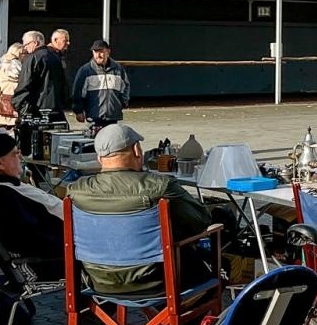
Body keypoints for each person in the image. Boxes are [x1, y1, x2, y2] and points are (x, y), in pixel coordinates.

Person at [66, 124, 223, 297]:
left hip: (98, 281)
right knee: (215, 238)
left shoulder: (76, 190)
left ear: (99, 157)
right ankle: (178, 322)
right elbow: (201, 220)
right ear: (137, 150)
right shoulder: (160, 186)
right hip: (157, 280)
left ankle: (153, 322)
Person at [0, 131, 64, 276]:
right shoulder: (2, 194)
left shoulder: (3, 186)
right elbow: (27, 238)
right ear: (0, 163)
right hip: (56, 259)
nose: (20, 157)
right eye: (15, 154)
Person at [71, 39, 131, 131]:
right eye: (95, 52)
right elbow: (77, 92)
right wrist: (78, 111)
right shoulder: (85, 71)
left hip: (113, 117)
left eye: (101, 52)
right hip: (94, 118)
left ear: (108, 52)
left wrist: (123, 103)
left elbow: (125, 87)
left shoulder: (118, 69)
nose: (98, 55)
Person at [14, 29, 71, 123]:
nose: (25, 48)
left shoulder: (33, 58)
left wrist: (19, 107)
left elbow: (25, 84)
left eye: (26, 45)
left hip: (37, 110)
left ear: (35, 43)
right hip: (56, 109)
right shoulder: (56, 57)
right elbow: (64, 84)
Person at [0, 42, 25, 128]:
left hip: (4, 93)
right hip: (11, 94)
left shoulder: (4, 61)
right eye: (23, 53)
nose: (24, 55)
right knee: (11, 122)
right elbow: (19, 77)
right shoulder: (13, 63)